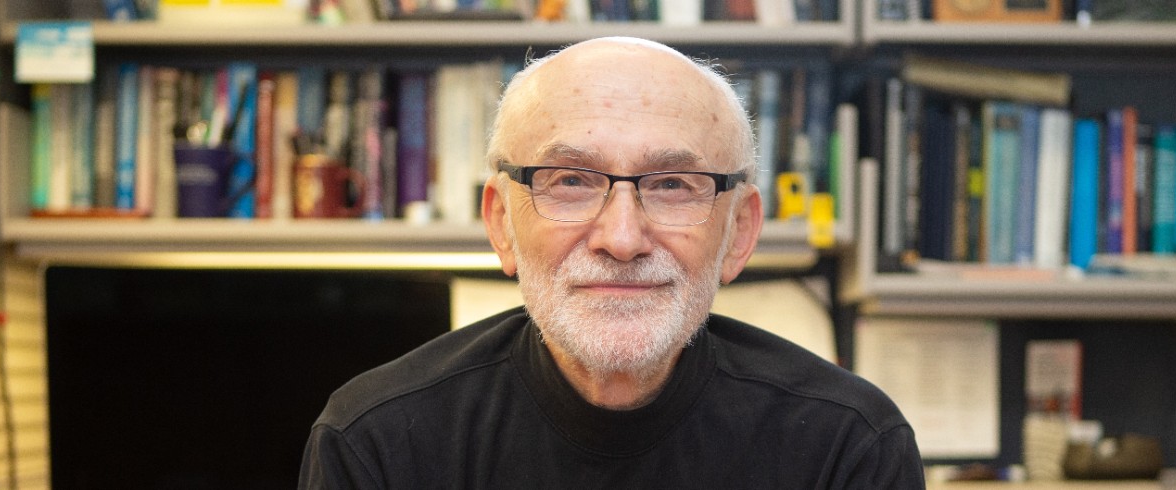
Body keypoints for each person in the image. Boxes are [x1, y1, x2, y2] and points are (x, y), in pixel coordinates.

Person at [299, 36, 924, 489]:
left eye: (673, 185)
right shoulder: (377, 443)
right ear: (501, 223)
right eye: (570, 181)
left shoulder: (847, 447)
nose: (622, 239)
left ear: (739, 232)